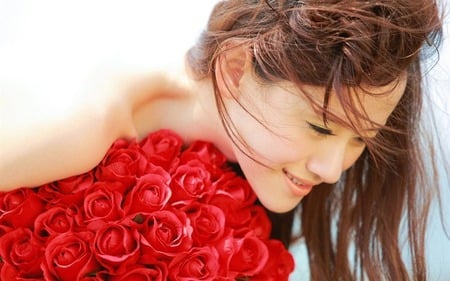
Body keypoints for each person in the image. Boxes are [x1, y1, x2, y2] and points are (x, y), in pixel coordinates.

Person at [0, 0, 445, 280]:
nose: (332, 170)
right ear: (234, 69)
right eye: (320, 127)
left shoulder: (240, 163)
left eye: (361, 139)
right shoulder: (84, 123)